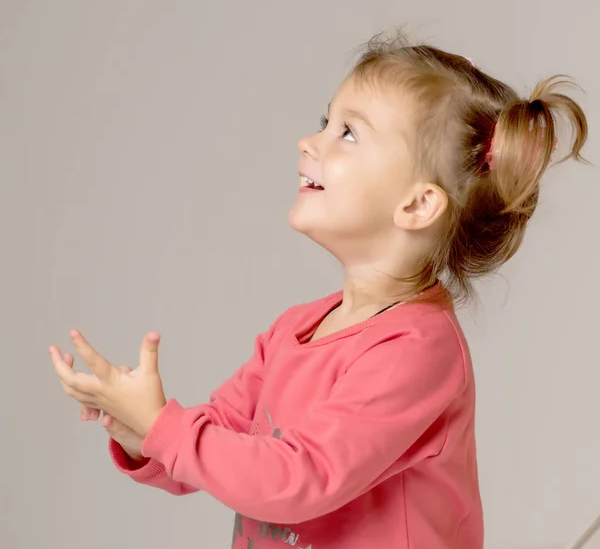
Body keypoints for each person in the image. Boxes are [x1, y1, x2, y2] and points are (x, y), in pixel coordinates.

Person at [50, 30, 588, 549]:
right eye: (324, 122)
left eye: (347, 133)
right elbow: (218, 444)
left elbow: (300, 480)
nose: (309, 141)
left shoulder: (418, 351)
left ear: (418, 204)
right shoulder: (293, 330)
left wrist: (163, 428)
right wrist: (140, 430)